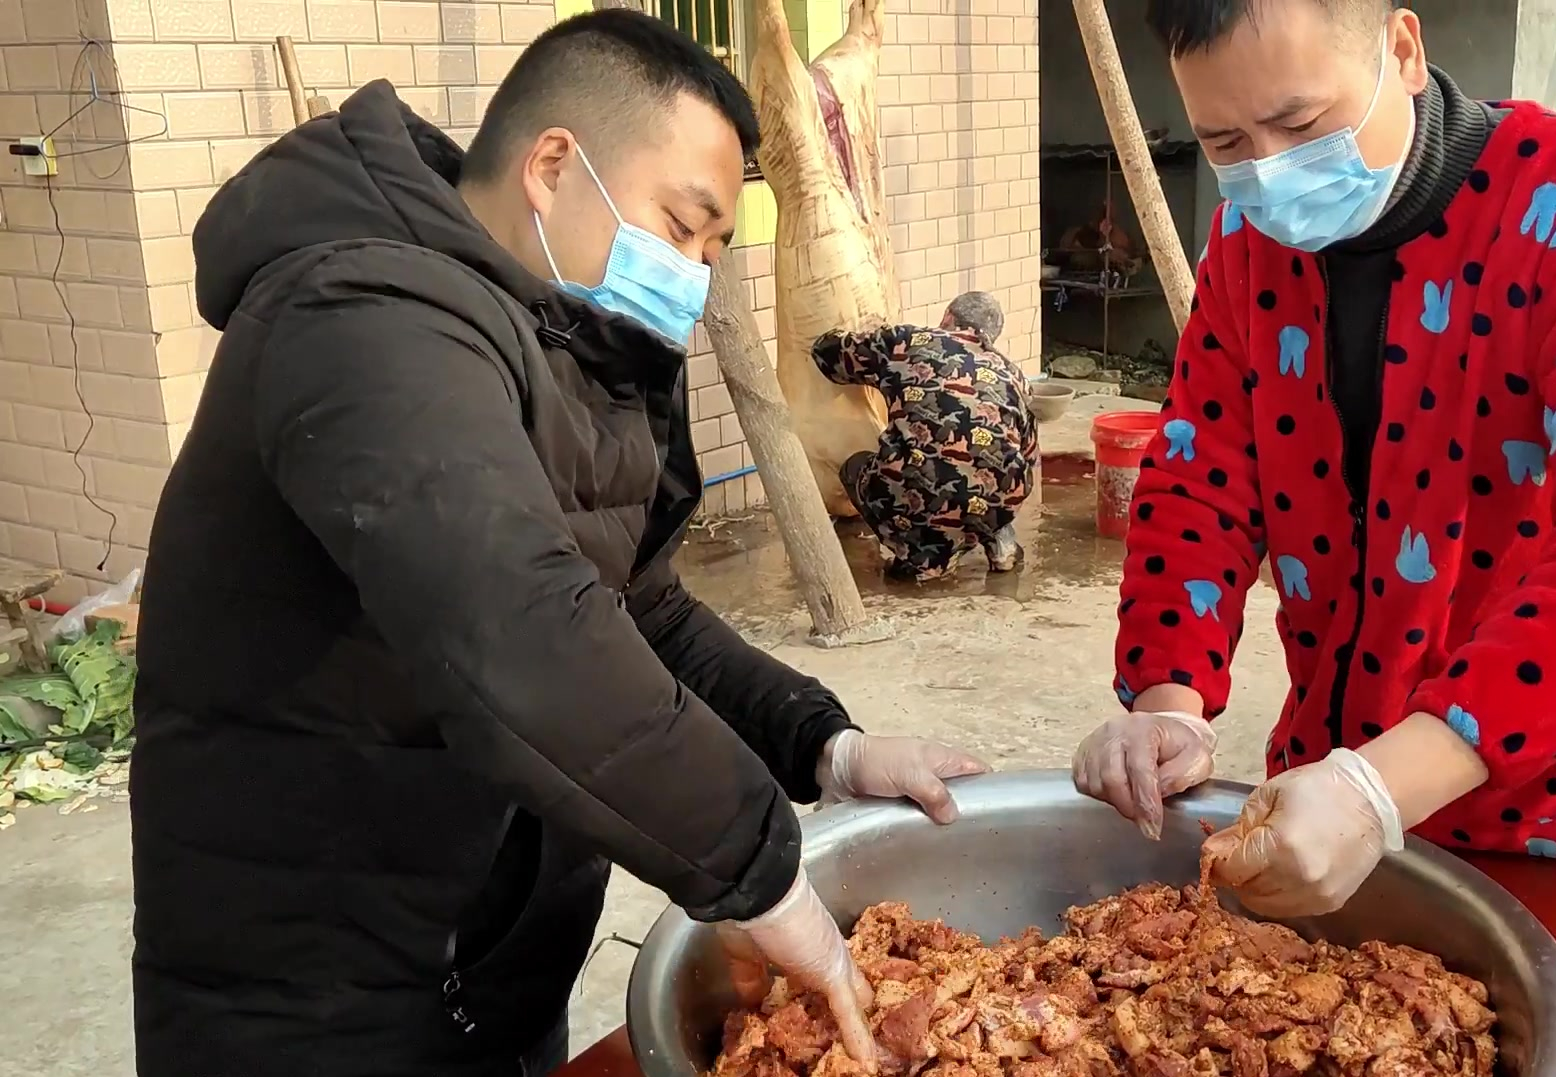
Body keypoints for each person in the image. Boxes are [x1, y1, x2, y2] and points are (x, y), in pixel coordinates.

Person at [129, 12, 985, 1077]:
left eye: (716, 248)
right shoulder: (358, 313)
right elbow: (525, 636)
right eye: (682, 225)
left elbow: (640, 613)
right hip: (319, 1004)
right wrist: (760, 871)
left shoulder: (564, 344)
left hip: (487, 978)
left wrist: (824, 746)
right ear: (550, 166)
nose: (695, 274)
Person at [1072, 0, 1556, 916]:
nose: (1268, 171)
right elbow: (1198, 483)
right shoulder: (1246, 244)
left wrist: (1380, 790)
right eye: (1224, 142)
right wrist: (1168, 701)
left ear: (1403, 48)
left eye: (1300, 124)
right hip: (1324, 798)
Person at [811, 291, 1037, 581]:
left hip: (922, 492)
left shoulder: (907, 341)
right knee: (988, 477)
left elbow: (828, 354)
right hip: (995, 502)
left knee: (855, 467)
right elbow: (1028, 457)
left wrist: (835, 333)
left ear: (947, 317)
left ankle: (917, 555)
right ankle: (998, 539)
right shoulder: (1013, 375)